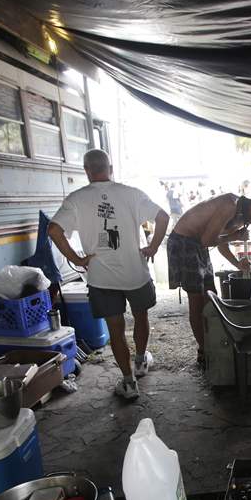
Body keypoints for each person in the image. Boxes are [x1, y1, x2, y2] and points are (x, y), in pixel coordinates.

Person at [48, 149, 170, 400]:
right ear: (110, 168)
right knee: (141, 316)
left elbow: (54, 230)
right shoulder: (131, 193)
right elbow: (163, 216)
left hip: (101, 278)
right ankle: (140, 362)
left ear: (86, 170)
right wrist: (153, 246)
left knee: (115, 328)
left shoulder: (76, 199)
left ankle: (128, 383)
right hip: (135, 272)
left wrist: (78, 259)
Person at [167, 192, 251, 362]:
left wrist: (238, 264)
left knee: (210, 297)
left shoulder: (242, 216)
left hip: (197, 244)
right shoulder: (230, 205)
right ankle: (204, 351)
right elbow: (207, 240)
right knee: (197, 301)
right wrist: (234, 236)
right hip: (184, 242)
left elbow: (220, 244)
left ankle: (212, 343)